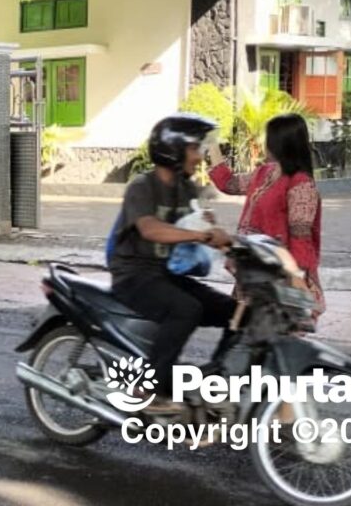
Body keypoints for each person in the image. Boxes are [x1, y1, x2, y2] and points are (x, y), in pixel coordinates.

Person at [108, 114, 233, 409]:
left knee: (236, 311)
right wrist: (200, 235)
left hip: (166, 274)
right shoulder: (143, 186)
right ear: (173, 149)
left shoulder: (187, 189)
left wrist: (228, 244)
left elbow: (200, 225)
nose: (199, 156)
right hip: (133, 275)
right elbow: (150, 229)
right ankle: (147, 388)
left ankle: (217, 384)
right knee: (186, 309)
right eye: (194, 148)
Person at [208, 113, 325, 319]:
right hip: (255, 271)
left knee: (270, 331)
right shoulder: (264, 173)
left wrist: (296, 279)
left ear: (279, 142)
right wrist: (211, 143)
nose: (265, 143)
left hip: (280, 277)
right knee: (246, 329)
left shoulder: (301, 184)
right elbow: (229, 183)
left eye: (268, 137)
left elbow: (300, 238)